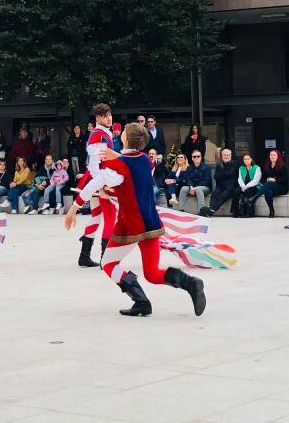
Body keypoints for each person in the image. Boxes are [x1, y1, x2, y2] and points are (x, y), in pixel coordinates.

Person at [64, 122, 206, 318]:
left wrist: (73, 209)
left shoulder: (117, 166)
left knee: (108, 263)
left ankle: (141, 302)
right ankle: (191, 283)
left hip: (130, 225)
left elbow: (92, 185)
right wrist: (116, 164)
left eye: (122, 133)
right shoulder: (146, 160)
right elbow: (131, 170)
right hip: (151, 223)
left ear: (125, 139)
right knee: (152, 272)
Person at [76, 103, 118, 268]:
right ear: (98, 118)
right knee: (110, 218)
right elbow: (93, 165)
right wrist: (100, 186)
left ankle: (84, 256)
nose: (109, 118)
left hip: (99, 179)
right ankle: (105, 259)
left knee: (97, 216)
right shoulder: (98, 135)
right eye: (105, 115)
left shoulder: (102, 133)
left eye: (110, 115)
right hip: (100, 180)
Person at [205, 148, 238, 218]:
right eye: (224, 155)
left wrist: (222, 174)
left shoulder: (235, 164)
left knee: (221, 197)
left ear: (231, 156)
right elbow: (216, 176)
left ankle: (210, 211)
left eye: (228, 155)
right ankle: (210, 209)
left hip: (230, 187)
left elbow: (231, 173)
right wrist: (225, 174)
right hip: (220, 186)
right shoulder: (219, 164)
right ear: (222, 156)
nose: (226, 156)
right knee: (214, 194)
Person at [178, 150, 212, 214]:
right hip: (192, 187)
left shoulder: (207, 167)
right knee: (183, 188)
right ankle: (181, 210)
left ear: (201, 157)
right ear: (192, 158)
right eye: (194, 156)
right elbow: (188, 179)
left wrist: (195, 188)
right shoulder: (189, 167)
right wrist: (191, 187)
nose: (196, 158)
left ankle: (201, 212)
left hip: (205, 187)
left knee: (198, 189)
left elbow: (207, 180)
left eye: (198, 156)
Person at [259, 149, 289, 219]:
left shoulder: (282, 166)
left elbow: (285, 179)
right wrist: (267, 179)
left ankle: (254, 198)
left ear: (278, 156)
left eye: (274, 155)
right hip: (270, 187)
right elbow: (263, 179)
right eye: (271, 155)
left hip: (282, 187)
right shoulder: (267, 166)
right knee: (268, 191)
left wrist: (275, 180)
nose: (272, 156)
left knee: (269, 183)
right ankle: (271, 210)